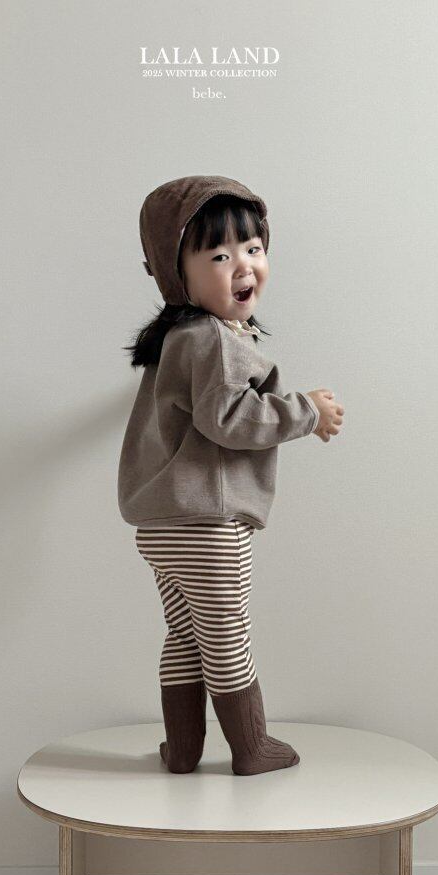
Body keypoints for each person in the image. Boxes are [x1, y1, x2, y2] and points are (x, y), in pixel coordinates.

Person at [117, 175, 344, 775]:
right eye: (218, 256)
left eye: (253, 248)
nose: (243, 265)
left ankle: (183, 750)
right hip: (208, 526)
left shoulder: (179, 339)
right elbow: (230, 419)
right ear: (177, 275)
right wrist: (306, 411)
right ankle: (250, 746)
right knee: (226, 638)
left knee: (185, 637)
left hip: (161, 526)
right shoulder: (212, 338)